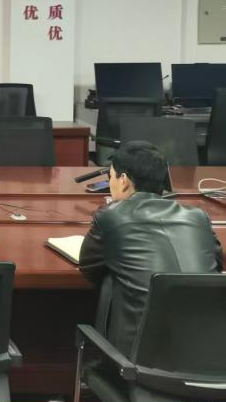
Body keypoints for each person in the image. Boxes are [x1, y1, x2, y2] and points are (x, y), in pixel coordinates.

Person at [79, 140, 222, 357]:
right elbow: (216, 267)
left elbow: (89, 268)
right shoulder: (198, 217)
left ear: (123, 181)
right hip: (208, 359)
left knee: (111, 280)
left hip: (137, 364)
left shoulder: (110, 216)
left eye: (111, 177)